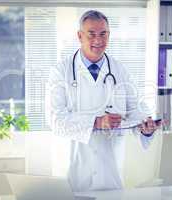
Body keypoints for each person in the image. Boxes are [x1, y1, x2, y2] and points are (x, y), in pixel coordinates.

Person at [48, 10, 160, 192]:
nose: (98, 40)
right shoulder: (61, 71)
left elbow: (136, 109)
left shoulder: (120, 70)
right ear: (79, 35)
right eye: (91, 34)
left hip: (110, 171)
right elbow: (55, 119)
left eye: (103, 34)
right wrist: (97, 122)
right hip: (74, 171)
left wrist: (145, 128)